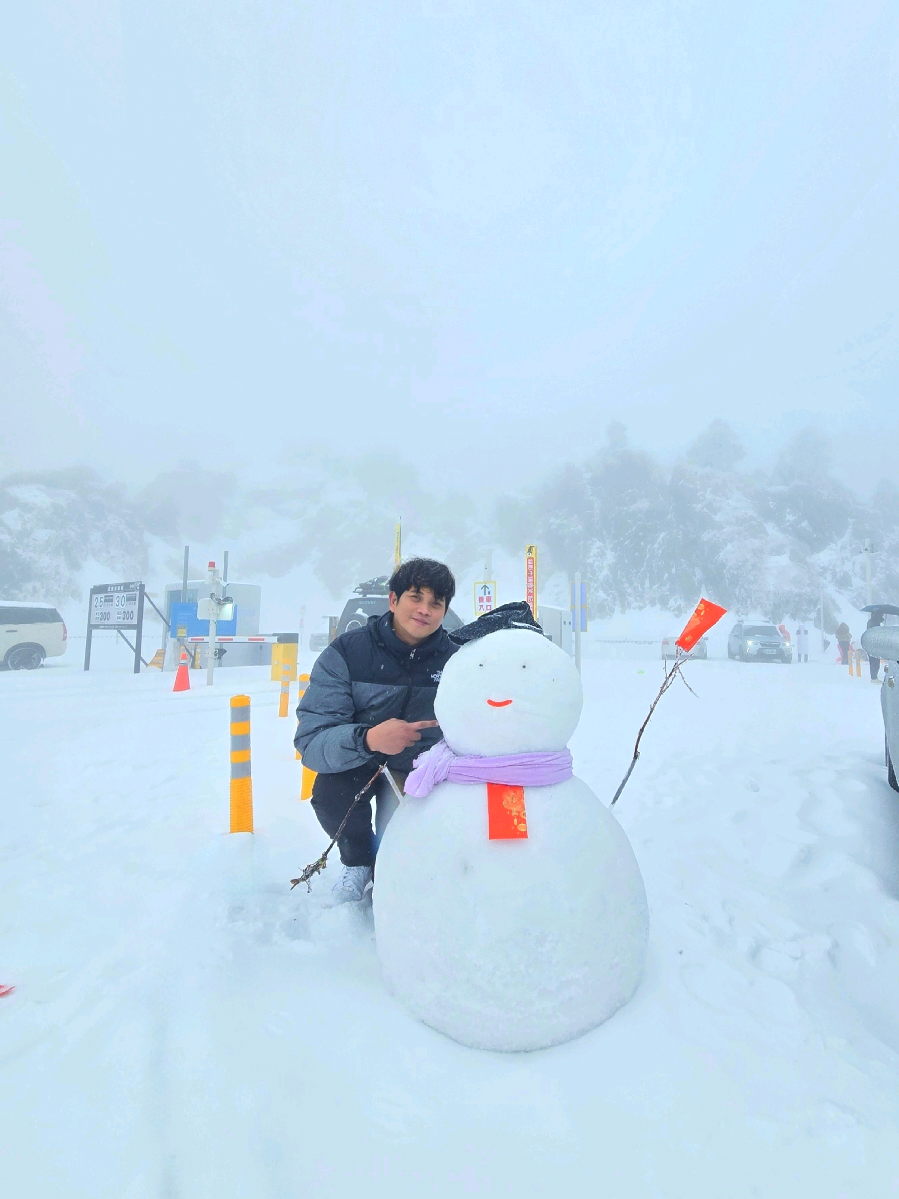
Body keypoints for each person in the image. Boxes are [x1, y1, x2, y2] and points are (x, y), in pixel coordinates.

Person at [295, 558, 458, 907]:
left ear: (444, 612)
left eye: (436, 603)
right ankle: (358, 861)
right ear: (393, 600)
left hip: (428, 767)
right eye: (416, 597)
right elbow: (312, 739)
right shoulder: (346, 653)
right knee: (331, 792)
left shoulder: (458, 662)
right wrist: (368, 739)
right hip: (363, 760)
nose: (424, 609)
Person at [866, 610, 884, 681]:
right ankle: (874, 677)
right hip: (873, 644)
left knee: (874, 661)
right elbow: (875, 633)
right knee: (875, 661)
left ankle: (874, 677)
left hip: (871, 644)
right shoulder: (874, 622)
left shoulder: (873, 621)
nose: (883, 615)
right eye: (881, 614)